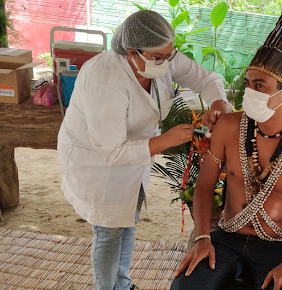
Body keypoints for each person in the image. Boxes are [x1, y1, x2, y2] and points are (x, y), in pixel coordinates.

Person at [57, 10, 231, 290]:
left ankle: (122, 284)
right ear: (131, 51)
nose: (166, 62)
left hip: (134, 157)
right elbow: (112, 151)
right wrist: (166, 140)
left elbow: (206, 79)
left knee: (127, 221)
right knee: (109, 230)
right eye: (158, 57)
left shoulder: (158, 57)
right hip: (96, 162)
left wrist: (218, 104)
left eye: (169, 54)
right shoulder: (105, 77)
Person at [171, 10, 282, 290]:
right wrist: (202, 237)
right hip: (227, 236)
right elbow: (203, 186)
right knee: (185, 286)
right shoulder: (228, 126)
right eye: (248, 83)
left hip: (281, 246)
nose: (248, 92)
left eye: (260, 86)